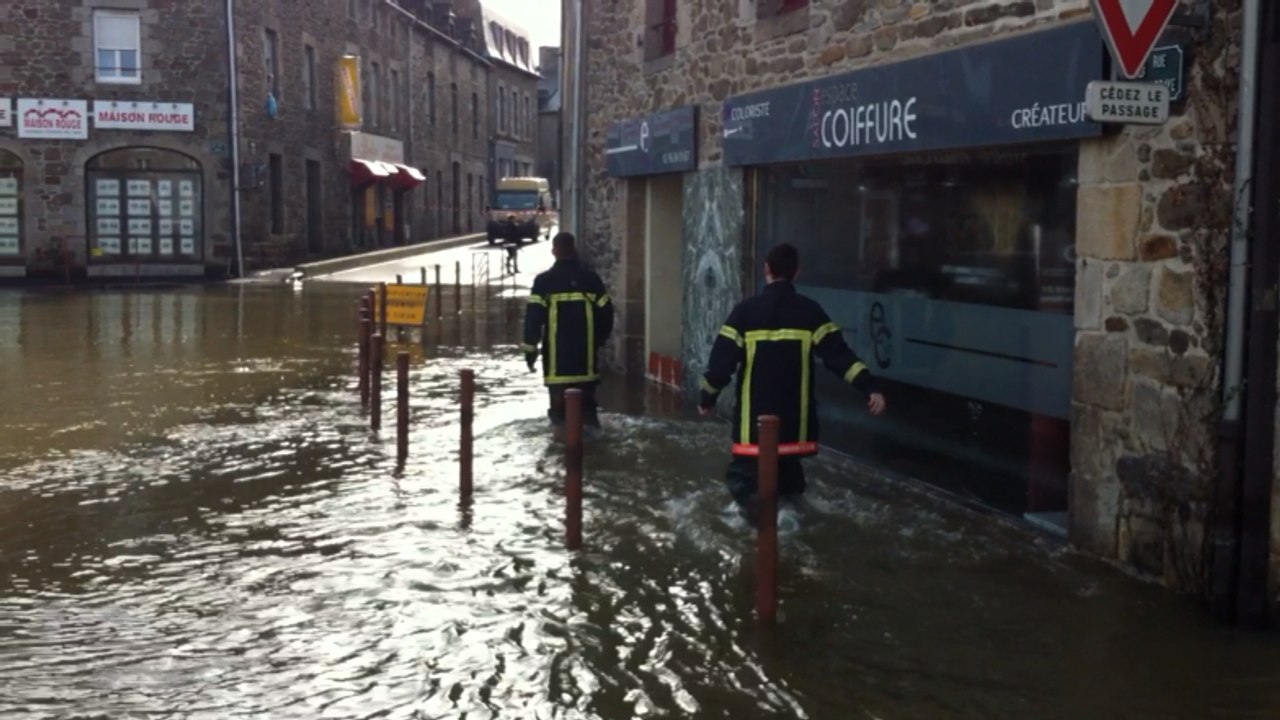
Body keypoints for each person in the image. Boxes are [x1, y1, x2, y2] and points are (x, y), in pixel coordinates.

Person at [698, 242, 886, 524]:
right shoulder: (810, 312)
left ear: (766, 270)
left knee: (744, 484)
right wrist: (868, 386)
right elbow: (839, 356)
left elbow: (720, 366)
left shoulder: (745, 313)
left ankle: (758, 538)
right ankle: (788, 537)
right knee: (789, 494)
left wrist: (707, 399)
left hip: (754, 429)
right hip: (793, 429)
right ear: (797, 272)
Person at [522, 232, 614, 427]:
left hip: (557, 366)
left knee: (559, 416)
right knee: (588, 414)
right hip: (586, 363)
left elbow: (533, 320)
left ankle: (561, 452)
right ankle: (593, 452)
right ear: (574, 251)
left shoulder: (543, 282)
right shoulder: (591, 280)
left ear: (554, 252)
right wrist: (598, 341)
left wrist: (530, 352)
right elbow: (607, 314)